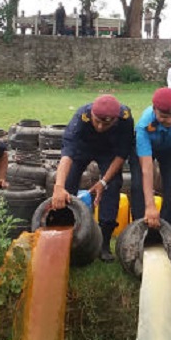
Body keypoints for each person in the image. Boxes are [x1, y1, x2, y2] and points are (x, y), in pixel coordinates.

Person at [51, 95, 134, 262]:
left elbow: (121, 154)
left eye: (107, 123)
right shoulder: (81, 118)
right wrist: (59, 186)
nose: (101, 126)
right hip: (83, 148)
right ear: (91, 116)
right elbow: (67, 155)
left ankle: (103, 243)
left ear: (115, 120)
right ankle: (66, 233)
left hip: (109, 151)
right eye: (97, 121)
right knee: (67, 184)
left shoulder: (125, 117)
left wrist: (103, 182)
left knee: (113, 184)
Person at [130, 88, 171, 228]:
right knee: (138, 186)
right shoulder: (144, 125)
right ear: (154, 109)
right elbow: (147, 168)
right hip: (148, 149)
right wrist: (150, 205)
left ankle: (166, 228)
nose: (169, 120)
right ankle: (140, 226)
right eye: (164, 116)